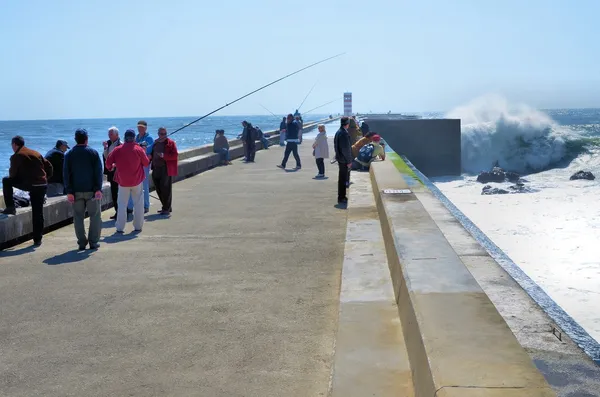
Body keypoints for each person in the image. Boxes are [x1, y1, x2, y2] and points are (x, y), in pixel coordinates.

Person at [1, 136, 53, 246]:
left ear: (15, 144)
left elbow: (12, 175)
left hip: (31, 185)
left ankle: (10, 207)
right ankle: (37, 239)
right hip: (42, 185)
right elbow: (49, 166)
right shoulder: (35, 153)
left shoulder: (17, 156)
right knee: (38, 212)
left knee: (6, 180)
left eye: (12, 146)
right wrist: (45, 179)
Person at [63, 128, 104, 250]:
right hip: (91, 191)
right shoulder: (93, 153)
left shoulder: (69, 154)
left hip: (75, 192)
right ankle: (93, 241)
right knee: (95, 216)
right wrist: (98, 189)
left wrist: (69, 191)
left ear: (75, 139)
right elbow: (98, 173)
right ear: (86, 139)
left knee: (78, 217)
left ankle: (81, 242)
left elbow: (66, 174)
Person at [106, 129, 150, 233]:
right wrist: (143, 150)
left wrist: (113, 166)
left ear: (125, 138)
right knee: (138, 204)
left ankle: (120, 227)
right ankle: (138, 226)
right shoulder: (138, 149)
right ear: (134, 138)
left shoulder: (118, 149)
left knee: (122, 204)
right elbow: (146, 163)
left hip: (123, 182)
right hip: (137, 181)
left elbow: (108, 163)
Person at [127, 120, 153, 213]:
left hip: (144, 164)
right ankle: (130, 206)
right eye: (138, 127)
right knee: (131, 184)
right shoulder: (135, 137)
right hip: (135, 164)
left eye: (142, 127)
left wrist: (141, 147)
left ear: (146, 128)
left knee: (144, 185)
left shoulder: (149, 138)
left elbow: (149, 149)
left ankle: (146, 205)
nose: (140, 128)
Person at [150, 127, 178, 215]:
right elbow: (151, 153)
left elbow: (175, 155)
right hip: (155, 168)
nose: (163, 136)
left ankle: (166, 208)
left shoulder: (171, 143)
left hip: (165, 168)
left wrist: (164, 156)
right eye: (161, 134)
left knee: (166, 188)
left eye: (164, 134)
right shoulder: (155, 143)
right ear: (158, 134)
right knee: (158, 188)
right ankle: (166, 207)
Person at [103, 126, 122, 219]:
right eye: (109, 134)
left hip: (119, 172)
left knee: (120, 193)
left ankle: (122, 211)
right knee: (114, 193)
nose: (109, 136)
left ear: (117, 135)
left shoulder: (121, 144)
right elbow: (106, 157)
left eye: (111, 134)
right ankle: (117, 211)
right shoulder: (109, 143)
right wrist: (105, 148)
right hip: (111, 171)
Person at [334, 117, 353, 205]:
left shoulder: (338, 132)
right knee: (343, 178)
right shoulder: (344, 134)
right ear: (347, 124)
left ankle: (341, 196)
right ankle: (342, 197)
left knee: (341, 178)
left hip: (340, 158)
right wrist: (349, 161)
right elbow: (346, 149)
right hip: (344, 160)